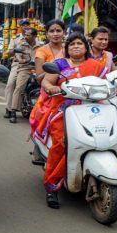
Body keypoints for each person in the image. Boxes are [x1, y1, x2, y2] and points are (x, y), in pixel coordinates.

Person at [35, 33, 109, 208]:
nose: (76, 46)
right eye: (72, 44)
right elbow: (47, 82)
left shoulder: (96, 66)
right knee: (62, 143)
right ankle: (52, 187)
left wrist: (116, 89)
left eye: (80, 44)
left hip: (92, 109)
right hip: (64, 110)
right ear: (67, 49)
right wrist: (52, 88)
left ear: (86, 47)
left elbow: (106, 83)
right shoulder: (59, 65)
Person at [29, 19, 66, 131]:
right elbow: (39, 78)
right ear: (47, 34)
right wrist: (55, 70)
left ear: (63, 32)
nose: (55, 34)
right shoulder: (42, 51)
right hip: (50, 93)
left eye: (58, 31)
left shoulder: (69, 49)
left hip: (69, 92)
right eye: (52, 31)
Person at [7, 27, 38, 123]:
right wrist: (21, 60)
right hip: (25, 68)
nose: (25, 36)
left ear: (34, 36)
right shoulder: (22, 43)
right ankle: (12, 112)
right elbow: (17, 54)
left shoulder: (41, 45)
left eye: (28, 35)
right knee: (19, 87)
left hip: (38, 69)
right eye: (25, 34)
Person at [3, 19, 32, 119]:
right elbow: (9, 52)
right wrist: (14, 50)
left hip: (33, 65)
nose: (26, 26)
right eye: (23, 25)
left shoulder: (35, 37)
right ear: (20, 27)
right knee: (11, 84)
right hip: (18, 64)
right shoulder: (15, 38)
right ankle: (9, 108)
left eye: (27, 24)